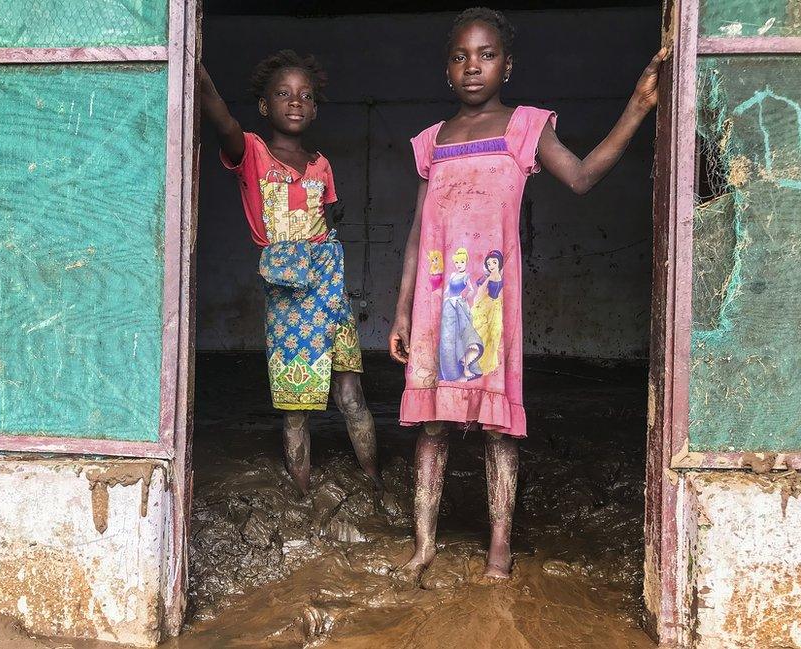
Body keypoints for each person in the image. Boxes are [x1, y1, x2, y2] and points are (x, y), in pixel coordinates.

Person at [388, 7, 665, 582]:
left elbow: (583, 176)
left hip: (490, 301)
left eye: (486, 55)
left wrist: (638, 106)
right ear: (446, 69)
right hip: (436, 306)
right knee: (432, 427)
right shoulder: (431, 141)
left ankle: (499, 549)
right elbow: (418, 234)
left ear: (507, 66)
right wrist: (399, 310)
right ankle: (422, 547)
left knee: (498, 430)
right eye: (461, 56)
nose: (473, 67)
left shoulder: (526, 128)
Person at [199, 51, 382, 496]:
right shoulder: (251, 153)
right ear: (264, 106)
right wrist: (196, 65)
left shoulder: (322, 165)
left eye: (305, 96)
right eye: (282, 94)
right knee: (295, 408)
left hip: (330, 293)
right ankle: (302, 495)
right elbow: (219, 116)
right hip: (287, 300)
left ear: (316, 108)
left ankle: (376, 483)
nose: (295, 102)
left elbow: (326, 220)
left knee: (351, 396)